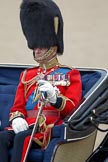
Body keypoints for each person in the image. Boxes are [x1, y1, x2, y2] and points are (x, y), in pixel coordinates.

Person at [0, 0, 82, 162]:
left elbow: (73, 108)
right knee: (2, 137)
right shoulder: (27, 75)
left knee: (21, 138)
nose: (36, 49)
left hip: (46, 128)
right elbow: (17, 106)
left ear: (52, 47)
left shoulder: (70, 74)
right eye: (35, 46)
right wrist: (17, 118)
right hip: (26, 124)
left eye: (41, 46)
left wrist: (55, 98)